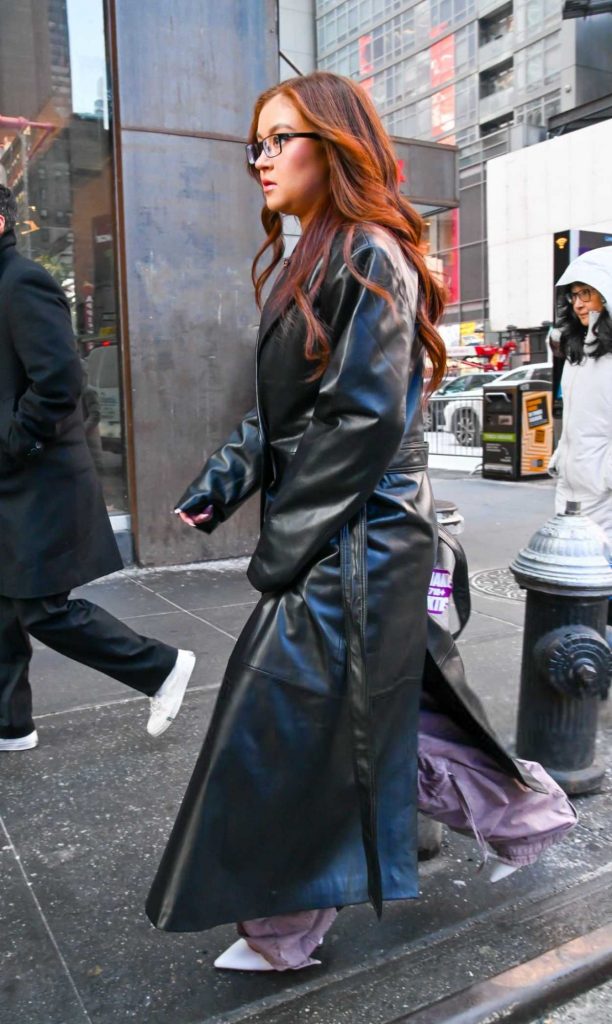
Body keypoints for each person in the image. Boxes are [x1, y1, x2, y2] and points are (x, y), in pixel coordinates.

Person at [146, 72, 576, 972]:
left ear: (334, 144)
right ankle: (513, 818)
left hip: (363, 536)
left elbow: (365, 418)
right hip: (352, 535)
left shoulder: (369, 251)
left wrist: (282, 550)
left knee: (293, 718)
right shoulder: (326, 253)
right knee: (349, 714)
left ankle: (287, 929)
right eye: (254, 144)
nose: (260, 159)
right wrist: (222, 482)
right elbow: (290, 408)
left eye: (280, 139)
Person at [0, 184, 195, 752]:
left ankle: (159, 668)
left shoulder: (22, 282)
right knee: (4, 603)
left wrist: (16, 442)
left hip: (33, 479)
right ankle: (11, 724)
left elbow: (61, 379)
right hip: (13, 479)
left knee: (41, 607)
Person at [549, 248, 612, 606]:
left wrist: (605, 475)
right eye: (574, 295)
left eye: (586, 293)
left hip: (603, 493)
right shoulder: (578, 353)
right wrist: (560, 456)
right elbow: (576, 419)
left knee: (600, 595)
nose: (578, 303)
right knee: (575, 596)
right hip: (571, 490)